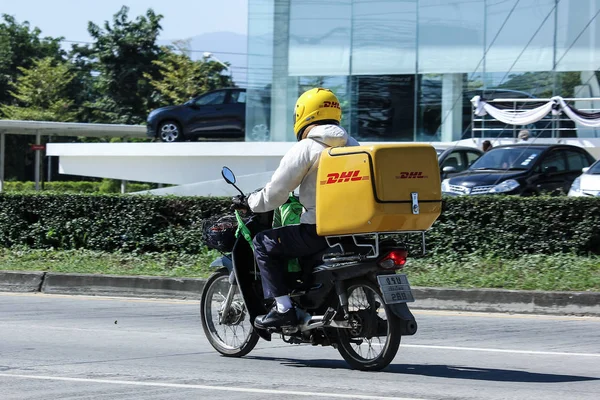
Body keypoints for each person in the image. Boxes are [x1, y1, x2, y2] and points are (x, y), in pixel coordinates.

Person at [235, 88, 359, 329]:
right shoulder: (353, 145)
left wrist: (250, 202)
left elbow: (276, 194)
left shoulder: (306, 148)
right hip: (354, 228)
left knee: (262, 243)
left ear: (304, 114)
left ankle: (284, 309)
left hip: (319, 231)